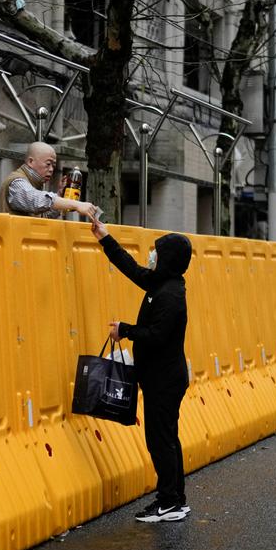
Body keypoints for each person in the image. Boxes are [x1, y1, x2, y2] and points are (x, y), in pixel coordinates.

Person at [90, 214, 193, 523]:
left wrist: (126, 330)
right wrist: (104, 238)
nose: (151, 255)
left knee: (160, 441)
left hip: (165, 381)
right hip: (160, 378)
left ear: (168, 259)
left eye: (157, 252)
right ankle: (174, 499)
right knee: (167, 439)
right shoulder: (162, 283)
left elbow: (157, 336)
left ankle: (169, 502)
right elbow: (133, 270)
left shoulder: (171, 296)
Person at [0, 141, 99, 219]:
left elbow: (44, 216)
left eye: (53, 165)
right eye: (48, 164)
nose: (51, 170)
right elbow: (36, 200)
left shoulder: (34, 183)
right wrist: (76, 204)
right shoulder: (17, 183)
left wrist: (60, 195)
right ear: (31, 161)